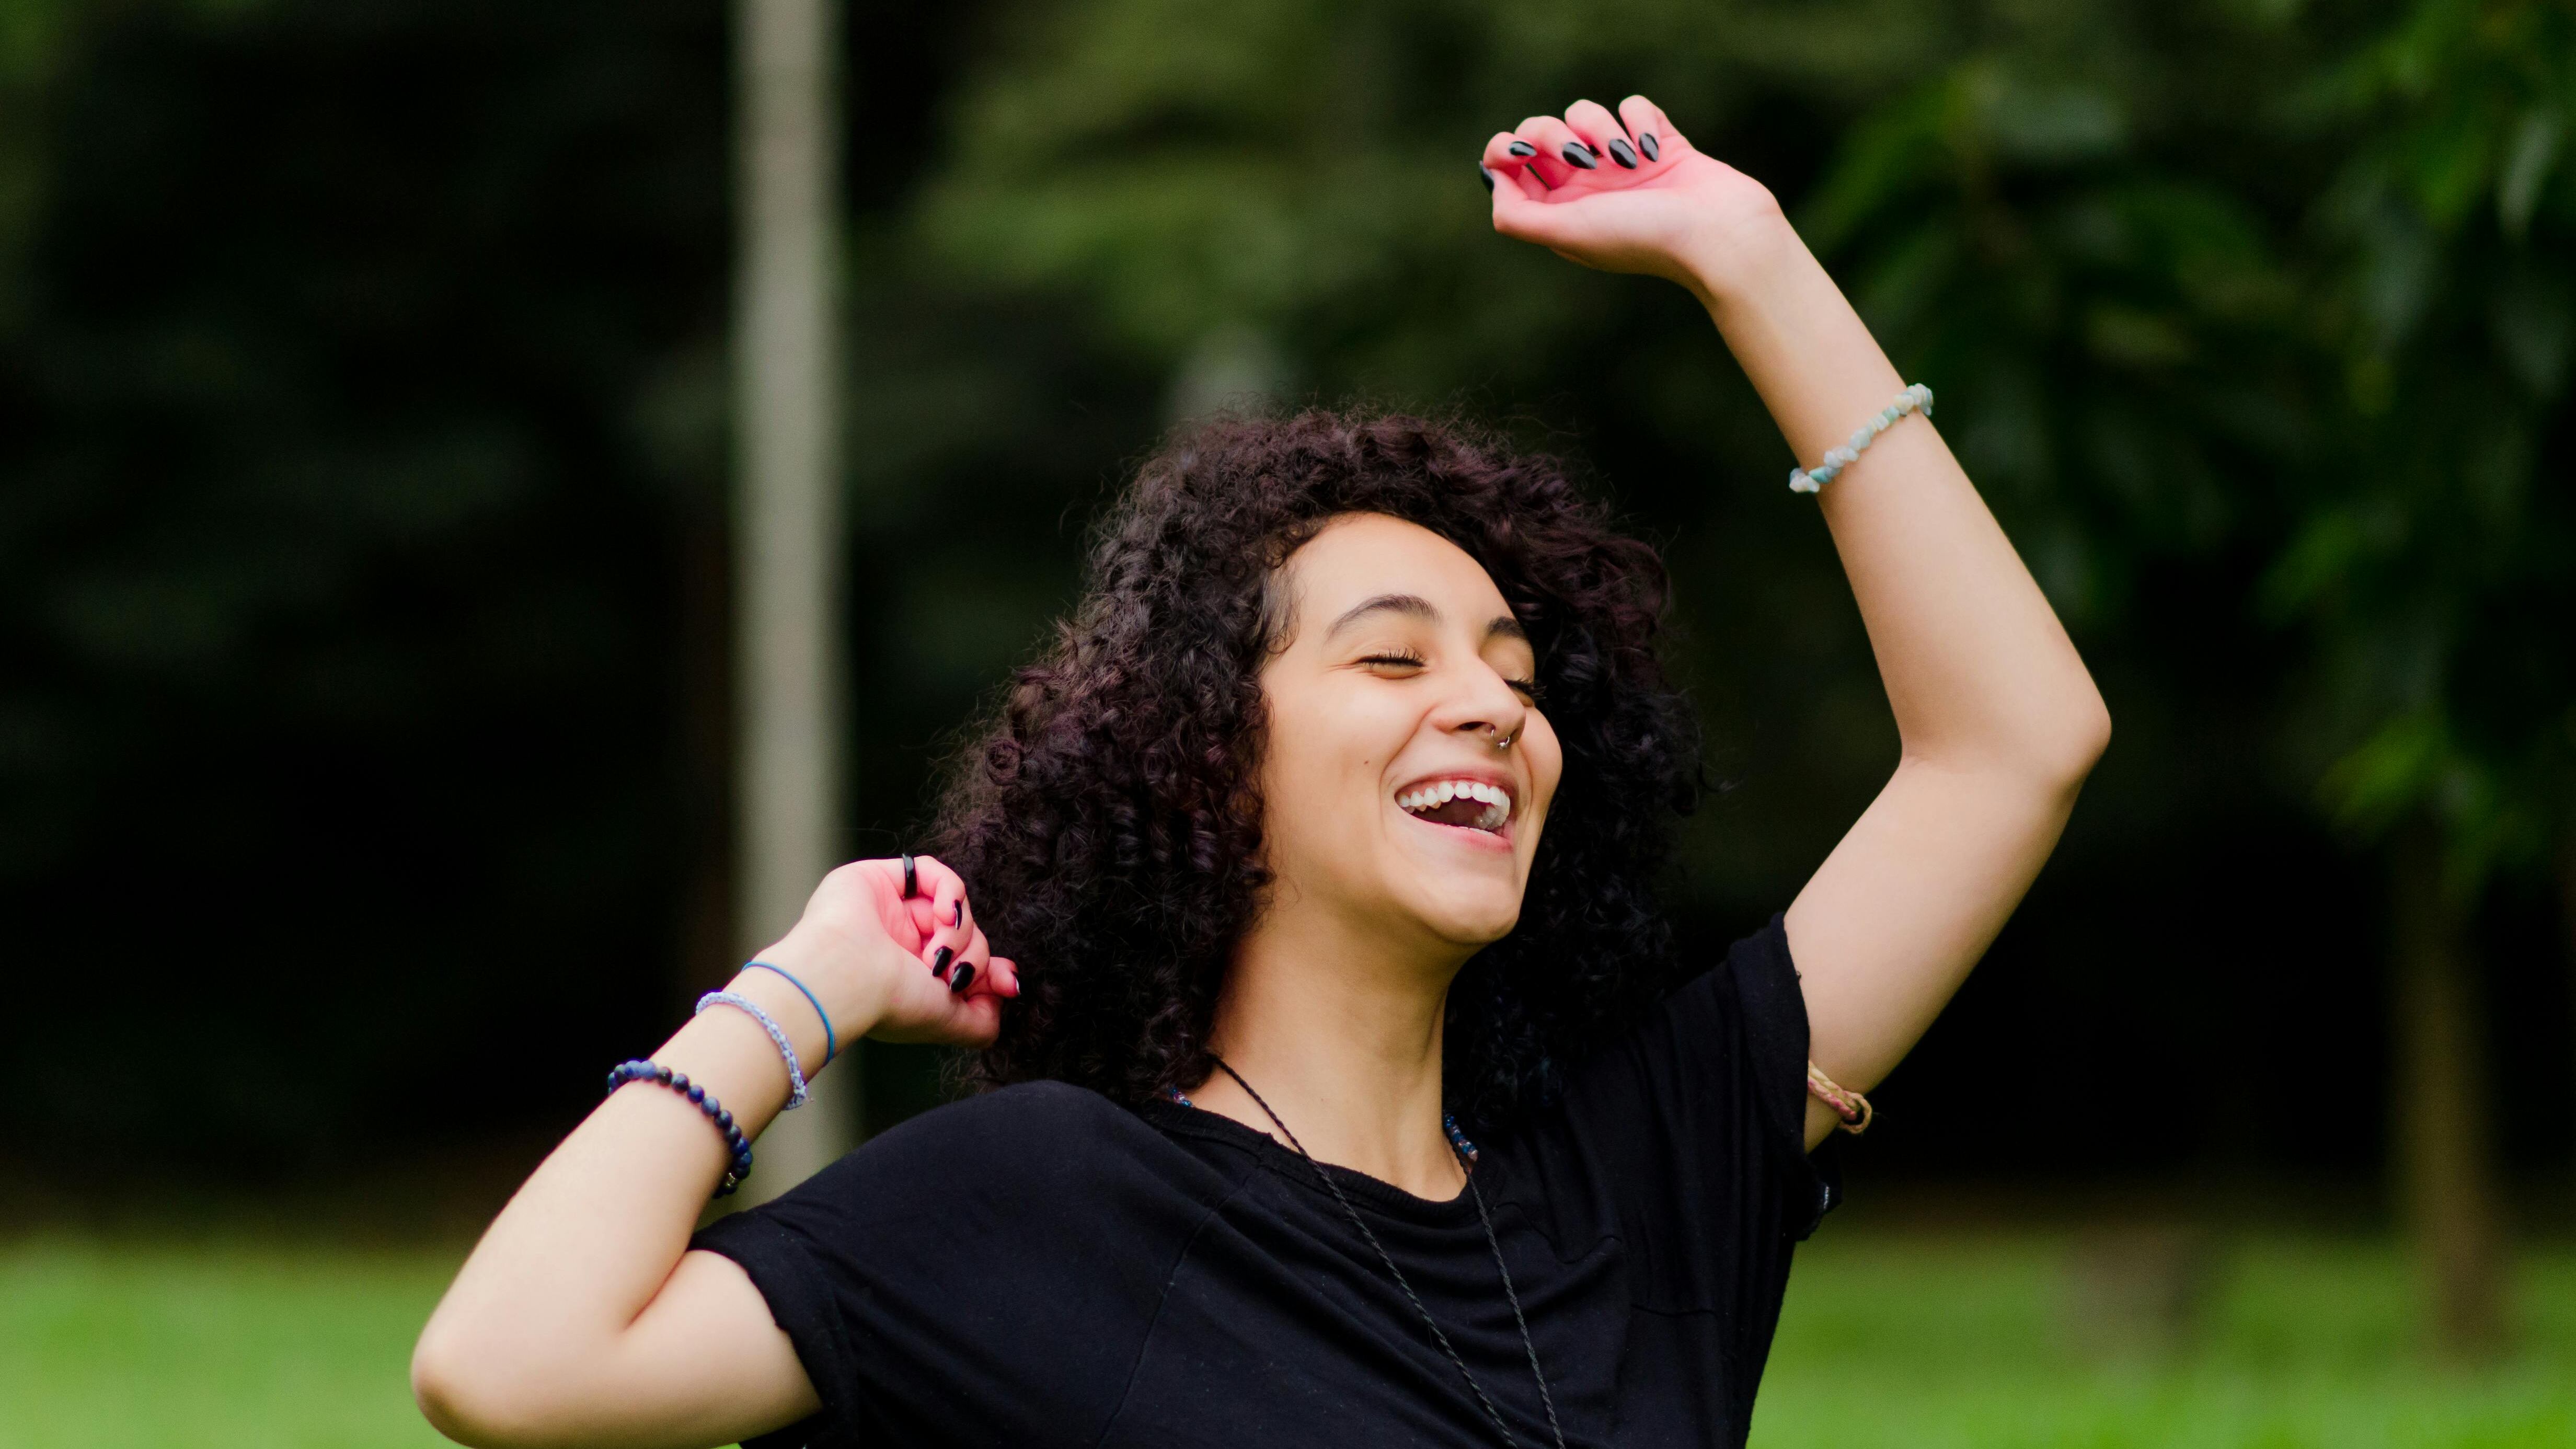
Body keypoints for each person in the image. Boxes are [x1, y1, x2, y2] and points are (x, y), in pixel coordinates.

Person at [411, 94, 2109, 1449]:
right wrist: (809, 985)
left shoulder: (1652, 1164)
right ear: (1211, 762)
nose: (1489, 707)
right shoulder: (1044, 1201)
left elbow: (2016, 745)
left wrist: (1750, 257)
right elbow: (511, 1366)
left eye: (1517, 674)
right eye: (1392, 656)